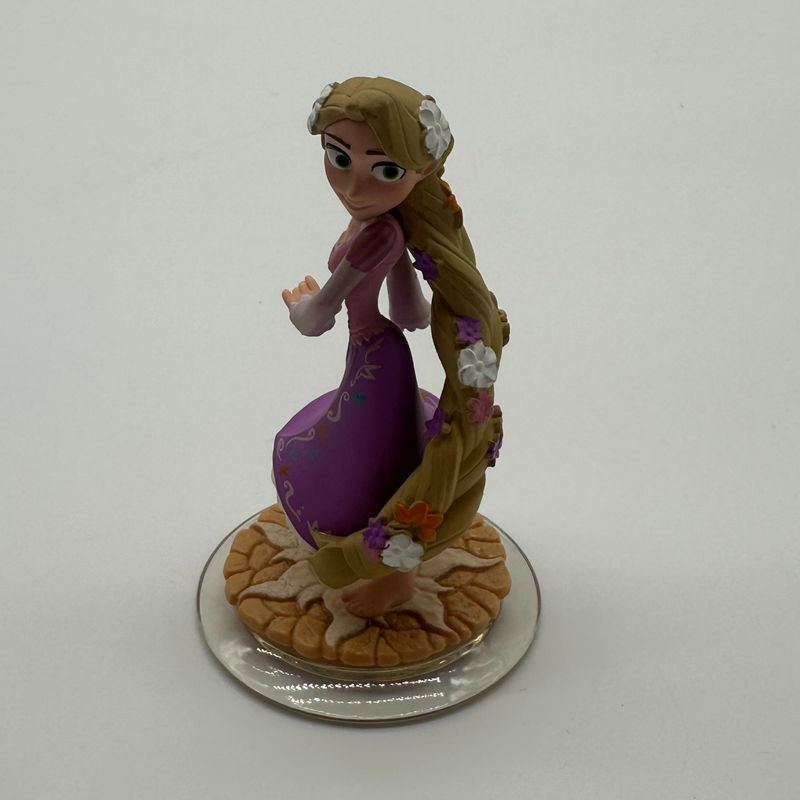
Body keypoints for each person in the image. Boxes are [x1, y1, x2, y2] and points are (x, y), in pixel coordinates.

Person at [273, 77, 508, 618]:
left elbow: (317, 317)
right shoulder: (388, 223)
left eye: (384, 171)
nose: (354, 186)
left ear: (422, 171)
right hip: (382, 345)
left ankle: (390, 570)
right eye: (338, 158)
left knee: (363, 455)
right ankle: (392, 553)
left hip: (373, 351)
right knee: (385, 447)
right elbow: (412, 313)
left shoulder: (379, 234)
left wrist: (302, 304)